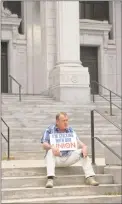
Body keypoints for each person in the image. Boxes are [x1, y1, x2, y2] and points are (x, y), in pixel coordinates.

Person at [41, 112, 99, 188]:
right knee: (50, 151)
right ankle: (50, 179)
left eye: (67, 120)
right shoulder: (49, 129)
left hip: (68, 157)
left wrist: (84, 147)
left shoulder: (70, 130)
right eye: (63, 121)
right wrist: (52, 147)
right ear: (57, 121)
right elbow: (44, 144)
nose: (66, 123)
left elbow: (79, 142)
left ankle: (89, 177)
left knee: (82, 152)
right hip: (56, 159)